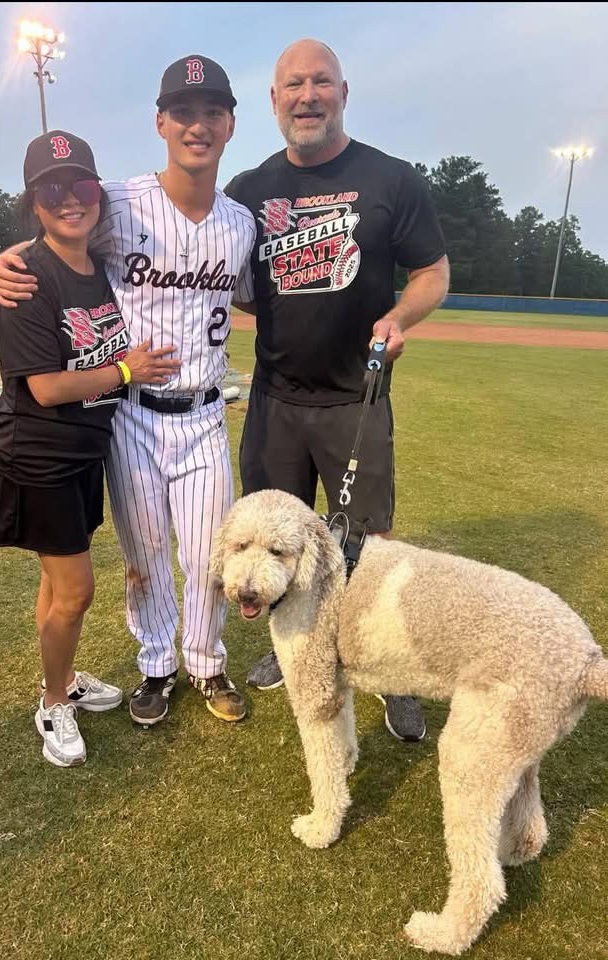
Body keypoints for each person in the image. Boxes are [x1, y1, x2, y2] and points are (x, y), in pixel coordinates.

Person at [0, 57, 256, 729]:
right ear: (161, 122)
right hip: (130, 416)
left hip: (203, 412)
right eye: (183, 112)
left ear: (230, 124)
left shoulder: (241, 224)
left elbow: (254, 294)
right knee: (145, 556)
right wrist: (1, 259)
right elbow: (58, 223)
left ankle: (207, 662)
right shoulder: (120, 201)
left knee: (208, 554)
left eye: (211, 113)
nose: (197, 126)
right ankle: (157, 665)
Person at [224, 39, 450, 743]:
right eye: (292, 85)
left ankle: (386, 670)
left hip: (357, 398)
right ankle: (292, 649)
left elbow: (432, 272)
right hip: (275, 400)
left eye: (320, 82)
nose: (307, 96)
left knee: (368, 547)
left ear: (343, 92)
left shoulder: (391, 179)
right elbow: (219, 270)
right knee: (274, 545)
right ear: (274, 100)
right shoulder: (248, 190)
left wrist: (397, 317)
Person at [0, 130, 181, 766]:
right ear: (34, 203)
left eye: (82, 185)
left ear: (99, 193)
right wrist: (126, 371)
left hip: (84, 453)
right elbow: (45, 387)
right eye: (52, 190)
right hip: (40, 456)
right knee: (75, 592)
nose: (71, 199)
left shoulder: (98, 267)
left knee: (56, 582)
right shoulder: (26, 279)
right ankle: (53, 702)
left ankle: (61, 678)